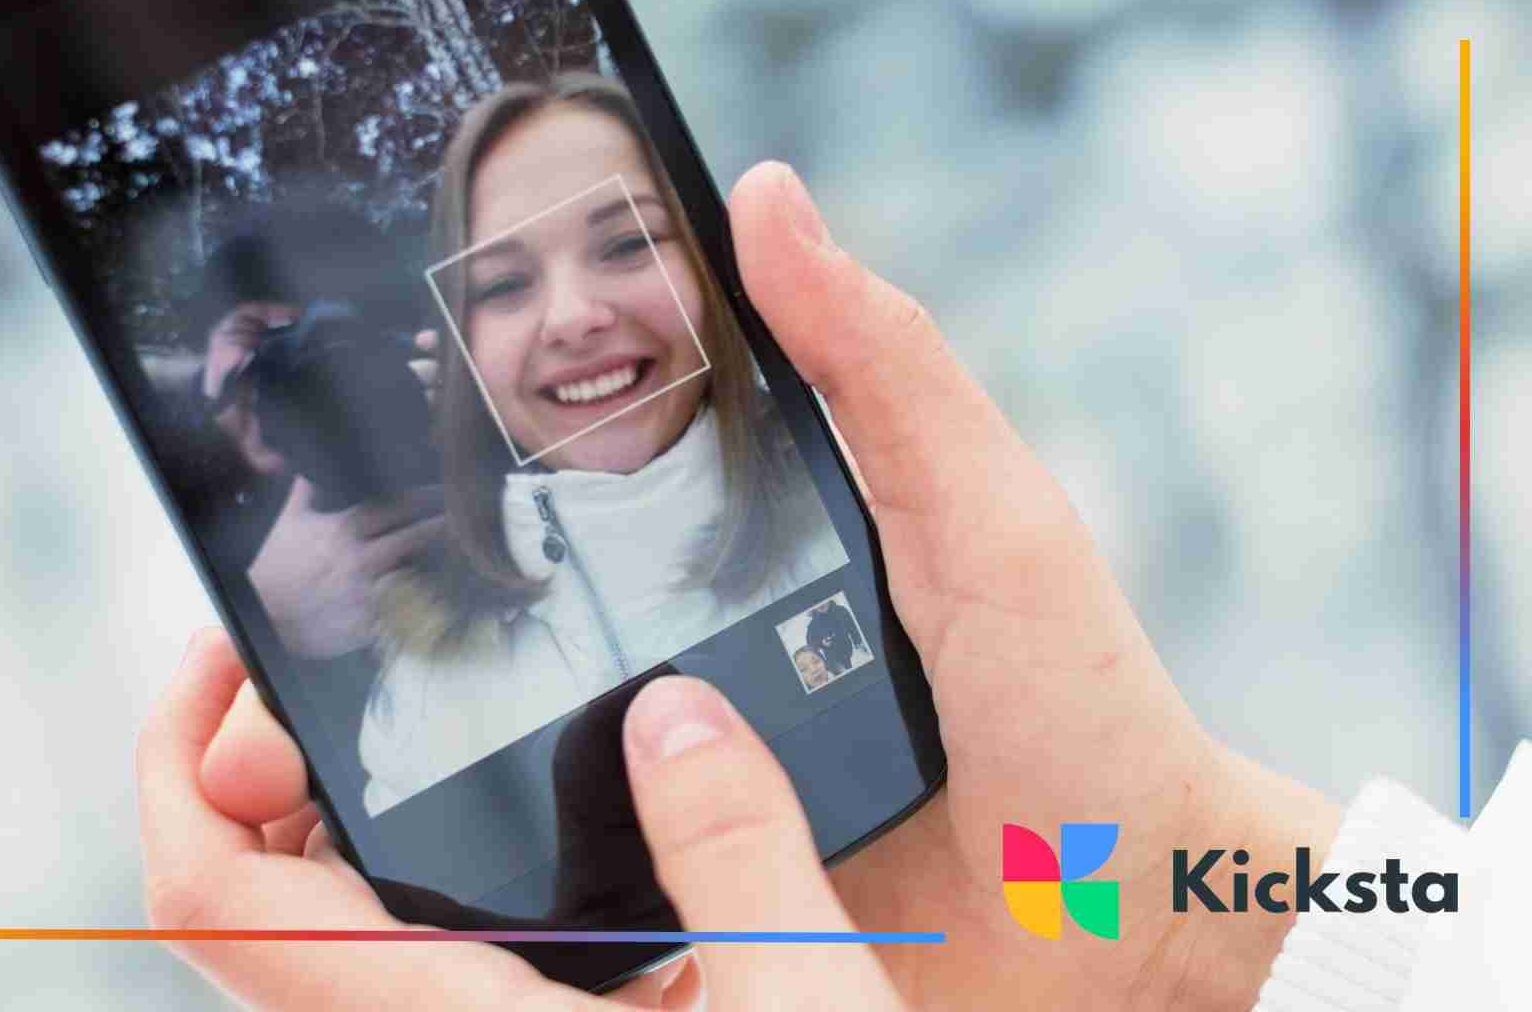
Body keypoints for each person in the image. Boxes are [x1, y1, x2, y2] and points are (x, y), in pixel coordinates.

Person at [137, 163, 1531, 1009]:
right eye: (262, 382)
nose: (328, 395)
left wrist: (1174, 949)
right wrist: (324, 647)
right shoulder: (339, 623)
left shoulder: (612, 471)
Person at [354, 74, 846, 814]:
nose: (574, 317)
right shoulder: (423, 686)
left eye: (625, 243)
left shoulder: (863, 495)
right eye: (502, 286)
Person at [174, 205, 446, 663]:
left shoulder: (441, 436)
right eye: (251, 332)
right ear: (203, 359)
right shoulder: (167, 500)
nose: (285, 365)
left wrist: (468, 431)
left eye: (322, 341)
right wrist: (265, 627)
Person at [803, 598, 862, 677]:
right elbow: (810, 643)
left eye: (823, 601)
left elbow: (852, 627)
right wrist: (821, 643)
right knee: (840, 674)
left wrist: (857, 641)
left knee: (849, 670)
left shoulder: (841, 611)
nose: (820, 605)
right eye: (816, 604)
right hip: (832, 657)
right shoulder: (813, 625)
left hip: (846, 650)